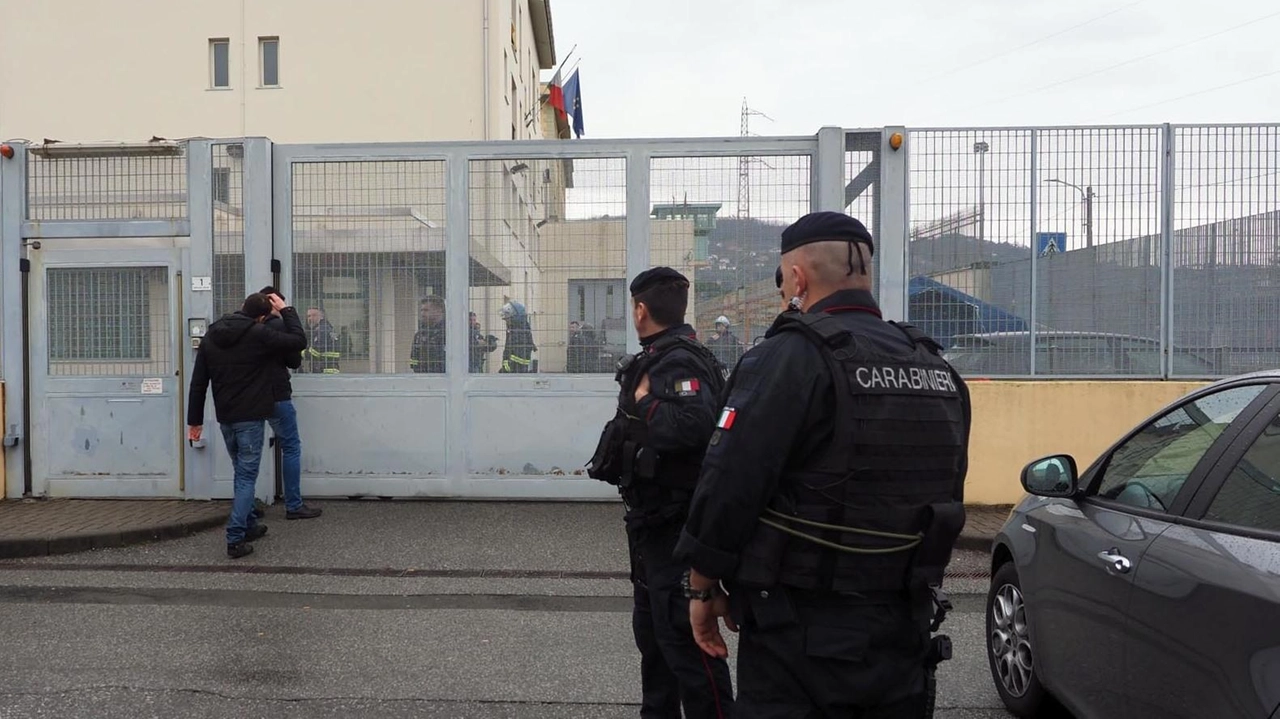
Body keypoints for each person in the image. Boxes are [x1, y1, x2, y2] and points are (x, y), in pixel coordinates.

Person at [675, 212, 971, 717]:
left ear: (797, 278)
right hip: (903, 630)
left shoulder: (788, 358)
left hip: (802, 636)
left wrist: (701, 587)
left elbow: (730, 485)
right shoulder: (937, 369)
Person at [587, 267, 734, 718]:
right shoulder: (664, 355)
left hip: (676, 525)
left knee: (685, 643)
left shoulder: (678, 360)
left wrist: (647, 400)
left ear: (640, 309)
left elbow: (693, 424)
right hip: (652, 526)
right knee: (654, 642)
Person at [187, 292, 309, 558]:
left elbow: (198, 383)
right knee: (245, 477)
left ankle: (250, 524)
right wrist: (287, 310)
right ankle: (235, 536)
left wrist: (194, 422)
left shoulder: (211, 336)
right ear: (262, 316)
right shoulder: (258, 334)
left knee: (240, 473)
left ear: (242, 306)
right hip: (250, 416)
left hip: (226, 418)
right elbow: (298, 342)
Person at [258, 287, 324, 522]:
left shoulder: (245, 327)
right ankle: (293, 504)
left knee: (250, 452)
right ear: (275, 304)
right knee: (291, 447)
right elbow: (295, 357)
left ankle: (248, 503)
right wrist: (287, 314)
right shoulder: (278, 326)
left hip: (249, 396)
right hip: (277, 394)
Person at [410, 296, 447, 373]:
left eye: (426, 310)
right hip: (423, 378)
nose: (422, 314)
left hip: (445, 378)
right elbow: (413, 357)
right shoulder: (419, 335)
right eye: (421, 310)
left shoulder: (450, 333)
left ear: (439, 311)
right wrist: (415, 367)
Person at [498, 299, 537, 373]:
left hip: (516, 369)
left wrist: (507, 366)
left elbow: (515, 353)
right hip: (516, 368)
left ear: (514, 317)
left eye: (508, 319)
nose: (506, 321)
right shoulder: (518, 329)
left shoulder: (519, 332)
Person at [303, 307, 341, 374]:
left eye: (314, 315)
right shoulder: (327, 328)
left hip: (324, 371)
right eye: (309, 316)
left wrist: (298, 353)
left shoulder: (322, 330)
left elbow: (315, 352)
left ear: (322, 317)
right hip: (329, 370)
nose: (310, 318)